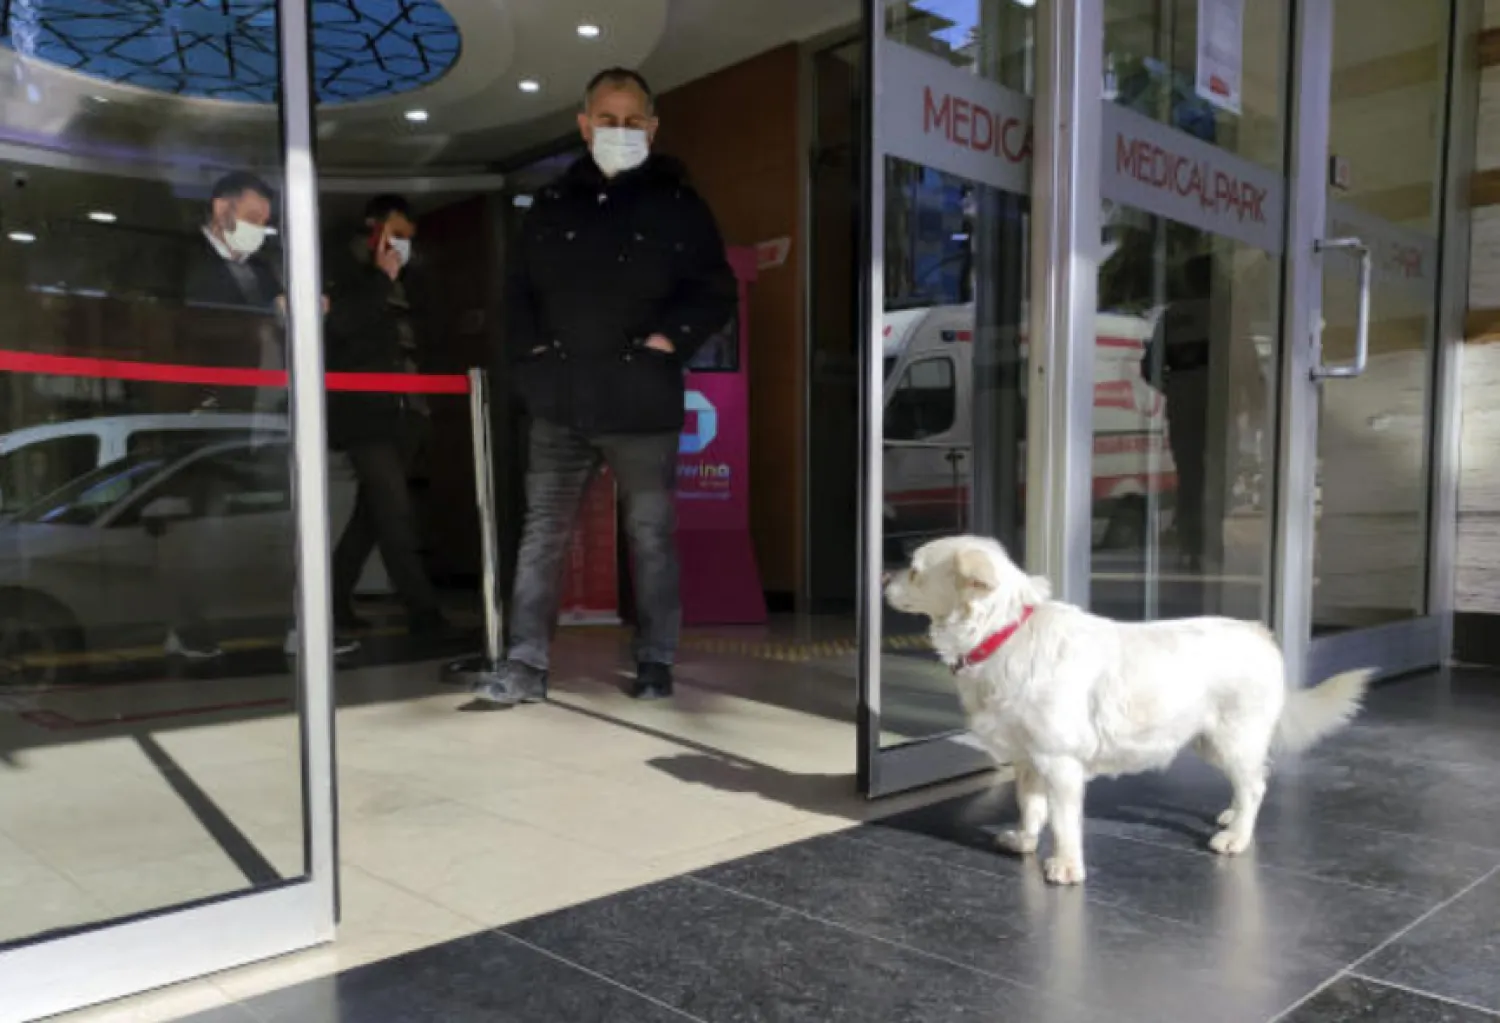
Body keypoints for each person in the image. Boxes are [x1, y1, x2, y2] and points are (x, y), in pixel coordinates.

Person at [474, 67, 737, 707]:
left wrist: (667, 341)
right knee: (543, 534)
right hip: (560, 400)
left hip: (641, 401)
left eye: (632, 121)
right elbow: (517, 296)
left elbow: (715, 290)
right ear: (584, 124)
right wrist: (533, 358)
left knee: (649, 535)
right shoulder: (551, 203)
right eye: (607, 120)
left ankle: (655, 660)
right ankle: (525, 666)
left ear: (651, 126)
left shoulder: (679, 205)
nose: (619, 131)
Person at [323, 194, 449, 638]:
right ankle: (425, 613)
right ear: (372, 227)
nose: (402, 245)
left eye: (409, 238)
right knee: (393, 511)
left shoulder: (409, 279)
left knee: (373, 515)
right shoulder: (338, 268)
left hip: (407, 411)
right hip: (363, 412)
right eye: (395, 234)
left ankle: (331, 600)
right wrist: (380, 278)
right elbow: (338, 328)